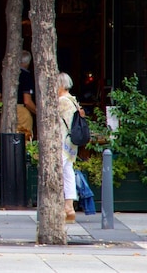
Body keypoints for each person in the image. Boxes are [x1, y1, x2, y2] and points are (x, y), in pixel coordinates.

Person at [58, 72, 82, 223]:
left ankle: (62, 207)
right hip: (71, 142)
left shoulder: (61, 101)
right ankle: (69, 208)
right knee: (68, 172)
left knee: (59, 172)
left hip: (62, 141)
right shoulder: (73, 100)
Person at [17, 50, 37, 137]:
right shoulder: (26, 76)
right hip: (22, 112)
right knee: (24, 140)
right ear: (28, 62)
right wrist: (38, 112)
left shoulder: (7, 76)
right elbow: (27, 101)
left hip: (7, 112)